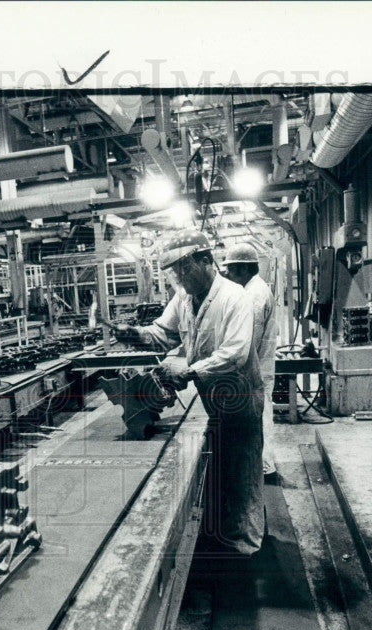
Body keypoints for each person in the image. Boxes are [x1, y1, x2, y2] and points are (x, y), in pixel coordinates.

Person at [114, 230, 265, 557]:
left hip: (240, 399)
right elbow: (163, 335)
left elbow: (236, 353)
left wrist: (189, 371)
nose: (179, 277)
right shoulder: (183, 298)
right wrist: (132, 334)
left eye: (185, 268)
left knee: (244, 470)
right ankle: (227, 534)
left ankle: (249, 552)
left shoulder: (234, 297)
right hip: (213, 398)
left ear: (206, 260)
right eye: (174, 270)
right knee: (225, 468)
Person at [221, 242, 278, 483]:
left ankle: (265, 468)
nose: (228, 276)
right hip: (258, 369)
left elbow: (247, 342)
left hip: (256, 372)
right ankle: (263, 465)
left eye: (231, 271)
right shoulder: (256, 289)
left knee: (260, 418)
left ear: (244, 269)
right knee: (260, 417)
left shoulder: (254, 295)